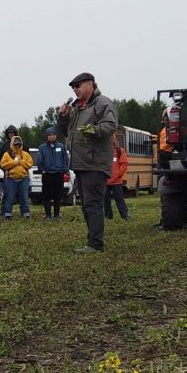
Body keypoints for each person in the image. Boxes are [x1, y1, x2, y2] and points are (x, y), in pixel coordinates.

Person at [56, 72, 119, 253]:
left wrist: (93, 129)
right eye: (73, 87)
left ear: (90, 84)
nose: (75, 89)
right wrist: (64, 117)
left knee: (92, 203)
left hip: (95, 162)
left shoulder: (102, 103)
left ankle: (95, 243)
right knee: (87, 203)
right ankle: (93, 239)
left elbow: (110, 125)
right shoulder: (78, 108)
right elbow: (69, 134)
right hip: (81, 163)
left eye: (78, 85)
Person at [35, 126, 70, 220]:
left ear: (56, 136)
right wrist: (42, 169)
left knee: (57, 196)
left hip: (58, 174)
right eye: (50, 135)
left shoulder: (61, 146)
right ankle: (48, 215)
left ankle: (57, 215)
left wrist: (64, 169)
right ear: (47, 136)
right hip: (47, 174)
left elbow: (65, 159)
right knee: (46, 196)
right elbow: (39, 160)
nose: (52, 136)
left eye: (53, 134)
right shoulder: (42, 148)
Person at [0, 136, 34, 220]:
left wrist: (21, 162)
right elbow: (3, 165)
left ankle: (26, 214)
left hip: (24, 178)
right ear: (12, 144)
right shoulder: (7, 154)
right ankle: (7, 214)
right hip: (11, 178)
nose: (17, 145)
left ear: (21, 144)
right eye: (15, 144)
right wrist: (14, 162)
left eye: (18, 144)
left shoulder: (25, 154)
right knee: (10, 197)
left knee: (24, 197)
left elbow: (30, 164)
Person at [106, 141, 130, 220]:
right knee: (105, 200)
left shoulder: (120, 151)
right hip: (105, 180)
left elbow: (124, 164)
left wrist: (118, 175)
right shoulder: (102, 151)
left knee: (119, 199)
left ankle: (124, 215)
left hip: (117, 181)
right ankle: (108, 216)